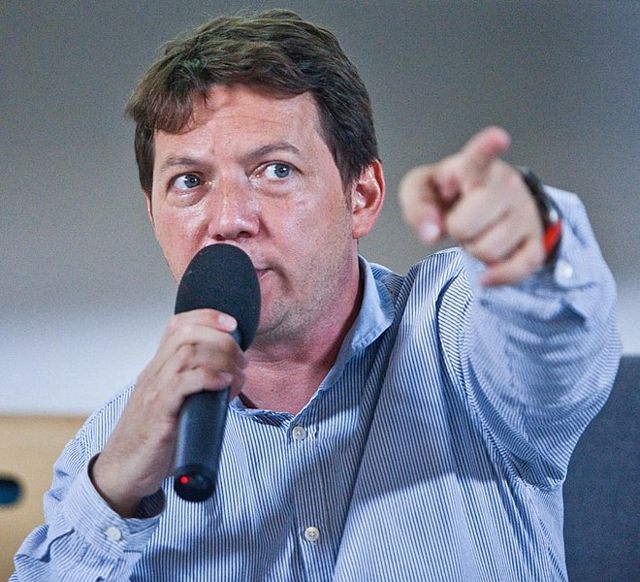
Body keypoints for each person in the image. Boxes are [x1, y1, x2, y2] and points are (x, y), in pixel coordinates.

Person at [12, 9, 619, 581]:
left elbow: (550, 339)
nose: (229, 219)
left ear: (362, 197)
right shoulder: (113, 445)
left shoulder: (456, 335)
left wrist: (529, 246)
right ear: (154, 216)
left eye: (276, 170)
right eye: (189, 181)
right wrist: (116, 490)